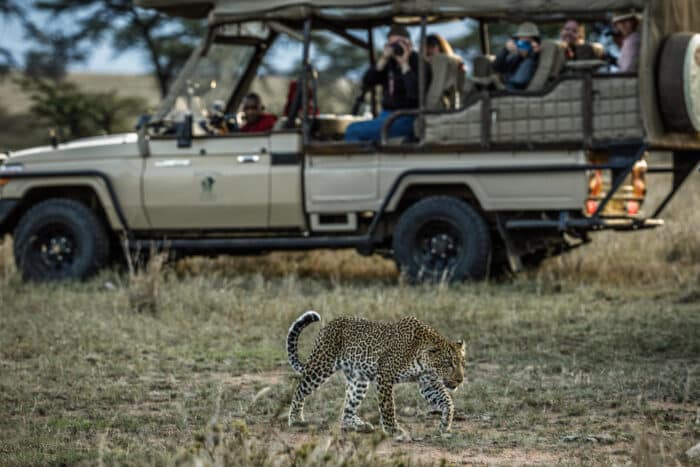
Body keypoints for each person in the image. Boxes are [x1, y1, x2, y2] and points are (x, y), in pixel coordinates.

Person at [344, 24, 431, 143]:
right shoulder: (389, 62)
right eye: (392, 44)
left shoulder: (420, 63)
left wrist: (404, 64)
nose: (395, 47)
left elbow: (415, 95)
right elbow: (367, 81)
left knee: (353, 130)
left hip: (407, 116)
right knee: (355, 129)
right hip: (386, 115)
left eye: (399, 43)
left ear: (409, 44)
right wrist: (383, 59)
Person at [493, 22, 541, 90]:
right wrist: (505, 50)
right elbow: (496, 67)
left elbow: (520, 80)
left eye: (526, 42)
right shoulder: (515, 57)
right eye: (519, 40)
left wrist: (532, 55)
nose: (521, 44)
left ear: (535, 42)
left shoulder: (534, 59)